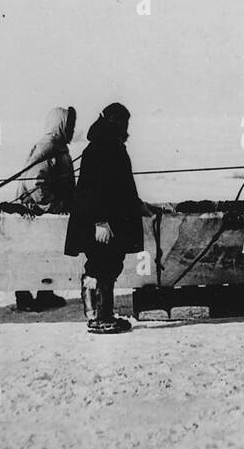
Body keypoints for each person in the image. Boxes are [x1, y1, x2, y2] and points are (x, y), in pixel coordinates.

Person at [64, 103, 146, 333]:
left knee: (105, 266)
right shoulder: (102, 147)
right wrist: (100, 222)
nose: (126, 127)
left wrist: (138, 205)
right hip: (103, 222)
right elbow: (93, 188)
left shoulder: (107, 145)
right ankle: (100, 317)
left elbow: (121, 185)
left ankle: (100, 314)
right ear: (115, 122)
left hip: (111, 220)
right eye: (123, 122)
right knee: (103, 266)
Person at [14, 106, 77, 312]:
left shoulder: (57, 148)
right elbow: (36, 182)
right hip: (36, 214)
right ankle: (24, 296)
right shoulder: (48, 146)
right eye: (69, 125)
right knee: (32, 255)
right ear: (60, 125)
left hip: (45, 215)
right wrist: (52, 205)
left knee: (47, 254)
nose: (72, 129)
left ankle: (45, 293)